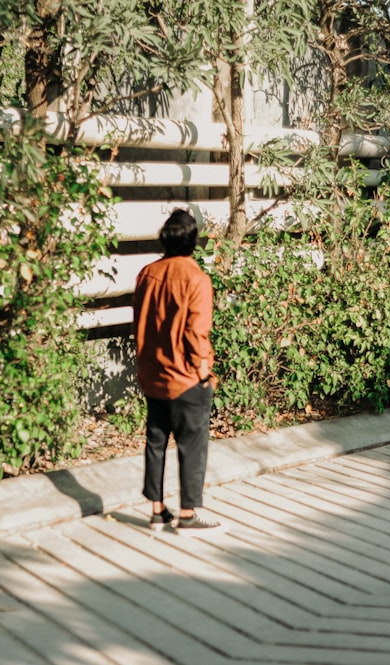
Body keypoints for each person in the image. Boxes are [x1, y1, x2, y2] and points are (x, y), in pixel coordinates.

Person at [133, 209, 224, 535]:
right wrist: (203, 371)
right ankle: (188, 514)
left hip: (152, 375)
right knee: (192, 445)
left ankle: (158, 512)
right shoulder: (197, 279)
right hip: (186, 378)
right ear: (192, 240)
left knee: (155, 441)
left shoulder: (147, 274)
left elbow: (140, 323)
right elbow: (196, 332)